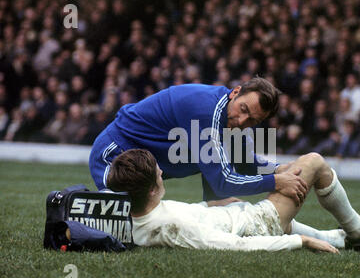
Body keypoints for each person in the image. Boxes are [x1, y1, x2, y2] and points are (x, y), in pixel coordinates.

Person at [106, 149, 360, 252]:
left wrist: (213, 206)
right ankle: (359, 233)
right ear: (153, 191)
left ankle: (338, 239)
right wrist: (300, 242)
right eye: (158, 174)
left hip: (230, 214)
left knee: (223, 196)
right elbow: (235, 245)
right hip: (256, 225)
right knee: (314, 162)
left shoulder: (128, 214)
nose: (162, 172)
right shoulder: (172, 225)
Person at [89, 77, 307, 204]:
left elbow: (243, 163)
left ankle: (336, 235)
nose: (242, 121)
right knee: (130, 227)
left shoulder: (230, 119)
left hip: (146, 170)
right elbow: (224, 182)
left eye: (252, 120)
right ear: (236, 92)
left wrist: (278, 169)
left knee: (217, 212)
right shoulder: (206, 112)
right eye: (243, 109)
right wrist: (276, 182)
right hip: (114, 156)